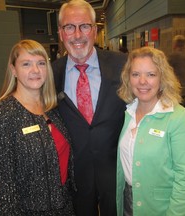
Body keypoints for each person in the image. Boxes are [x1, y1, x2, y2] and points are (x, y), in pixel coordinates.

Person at [0, 39, 76, 216]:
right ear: (13, 70)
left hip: (65, 205)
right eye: (26, 64)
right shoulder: (2, 117)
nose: (35, 70)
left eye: (41, 63)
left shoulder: (52, 109)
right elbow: (2, 187)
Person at [51, 0, 127, 215]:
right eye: (69, 27)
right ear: (60, 32)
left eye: (84, 26)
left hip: (116, 170)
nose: (77, 35)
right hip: (74, 175)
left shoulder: (121, 64)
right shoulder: (50, 74)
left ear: (95, 30)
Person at [116, 46, 185, 215]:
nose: (142, 81)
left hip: (164, 208)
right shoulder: (126, 114)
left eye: (151, 74)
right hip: (127, 202)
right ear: (128, 78)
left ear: (162, 78)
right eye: (136, 74)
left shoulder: (180, 118)